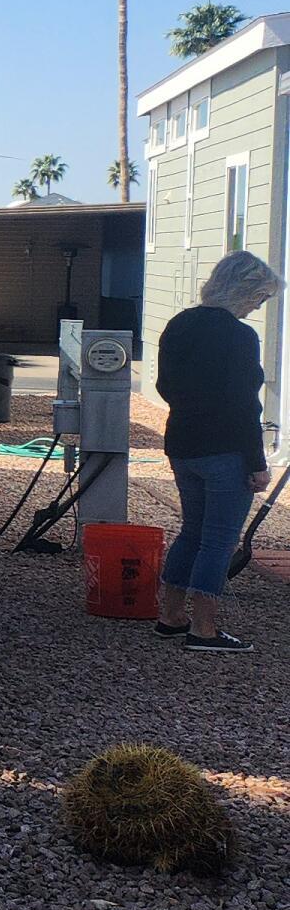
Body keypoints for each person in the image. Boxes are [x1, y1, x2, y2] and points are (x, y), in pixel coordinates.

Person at [154, 249, 283, 652]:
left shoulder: (179, 324)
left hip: (183, 442)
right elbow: (244, 404)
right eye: (260, 298)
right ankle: (204, 629)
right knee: (219, 540)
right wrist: (257, 464)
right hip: (225, 450)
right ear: (245, 291)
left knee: (192, 531)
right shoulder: (239, 336)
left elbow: (163, 386)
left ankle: (170, 615)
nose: (258, 306)